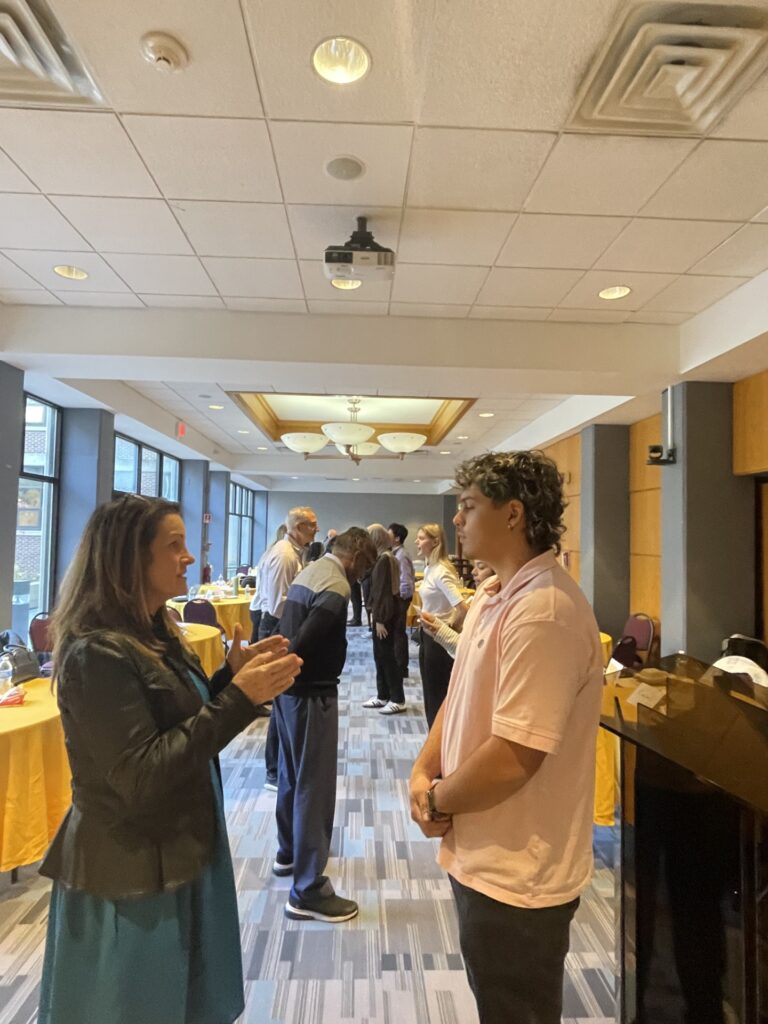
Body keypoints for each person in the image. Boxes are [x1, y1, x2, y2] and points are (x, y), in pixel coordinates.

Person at [38, 494, 302, 1024]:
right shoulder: (97, 653)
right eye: (174, 545)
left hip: (177, 846)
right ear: (130, 557)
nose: (189, 556)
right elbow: (139, 774)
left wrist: (228, 680)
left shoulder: (153, 633)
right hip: (131, 869)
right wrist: (238, 699)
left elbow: (180, 723)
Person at [409, 452, 603, 1024]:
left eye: (469, 506)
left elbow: (516, 755)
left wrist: (437, 799)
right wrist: (422, 772)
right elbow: (458, 698)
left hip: (519, 870)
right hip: (483, 850)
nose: (456, 520)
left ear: (513, 514)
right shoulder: (497, 595)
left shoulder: (543, 611)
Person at [273, 527, 377, 922]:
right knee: (314, 788)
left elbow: (286, 633)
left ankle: (288, 852)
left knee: (291, 776)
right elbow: (304, 642)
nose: (363, 575)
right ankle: (308, 889)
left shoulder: (311, 571)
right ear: (356, 556)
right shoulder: (337, 585)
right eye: (365, 567)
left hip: (288, 693)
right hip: (311, 696)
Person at [258, 507, 318, 789]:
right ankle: (273, 771)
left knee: (284, 696)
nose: (316, 529)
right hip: (277, 627)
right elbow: (277, 604)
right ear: (298, 527)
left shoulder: (294, 552)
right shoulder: (284, 556)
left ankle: (280, 765)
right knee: (281, 698)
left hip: (283, 626)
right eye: (312, 525)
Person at [415, 522, 468, 727]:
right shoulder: (430, 567)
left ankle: (440, 740)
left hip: (438, 640)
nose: (417, 542)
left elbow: (462, 608)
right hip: (428, 636)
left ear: (435, 542)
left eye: (421, 538)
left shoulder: (441, 571)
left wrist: (449, 628)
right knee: (430, 693)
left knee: (437, 695)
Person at [362, 524, 406, 714]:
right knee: (380, 655)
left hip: (385, 615)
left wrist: (379, 619)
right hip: (385, 612)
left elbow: (382, 591)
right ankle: (383, 694)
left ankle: (397, 698)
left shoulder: (384, 560)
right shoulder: (384, 557)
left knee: (387, 656)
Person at [420, 560, 495, 658]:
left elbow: (475, 654)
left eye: (481, 567)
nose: (473, 572)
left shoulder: (440, 571)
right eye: (474, 566)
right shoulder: (429, 568)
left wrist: (440, 631)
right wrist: (438, 629)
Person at [249, 523, 287, 644]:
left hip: (258, 606)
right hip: (262, 608)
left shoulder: (269, 552)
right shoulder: (281, 555)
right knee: (259, 648)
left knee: (255, 645)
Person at [388, 522, 415, 678]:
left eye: (389, 533)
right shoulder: (394, 553)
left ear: (397, 538)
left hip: (401, 598)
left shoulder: (401, 555)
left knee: (399, 633)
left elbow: (405, 579)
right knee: (396, 632)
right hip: (399, 597)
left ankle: (401, 668)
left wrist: (401, 599)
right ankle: (398, 666)